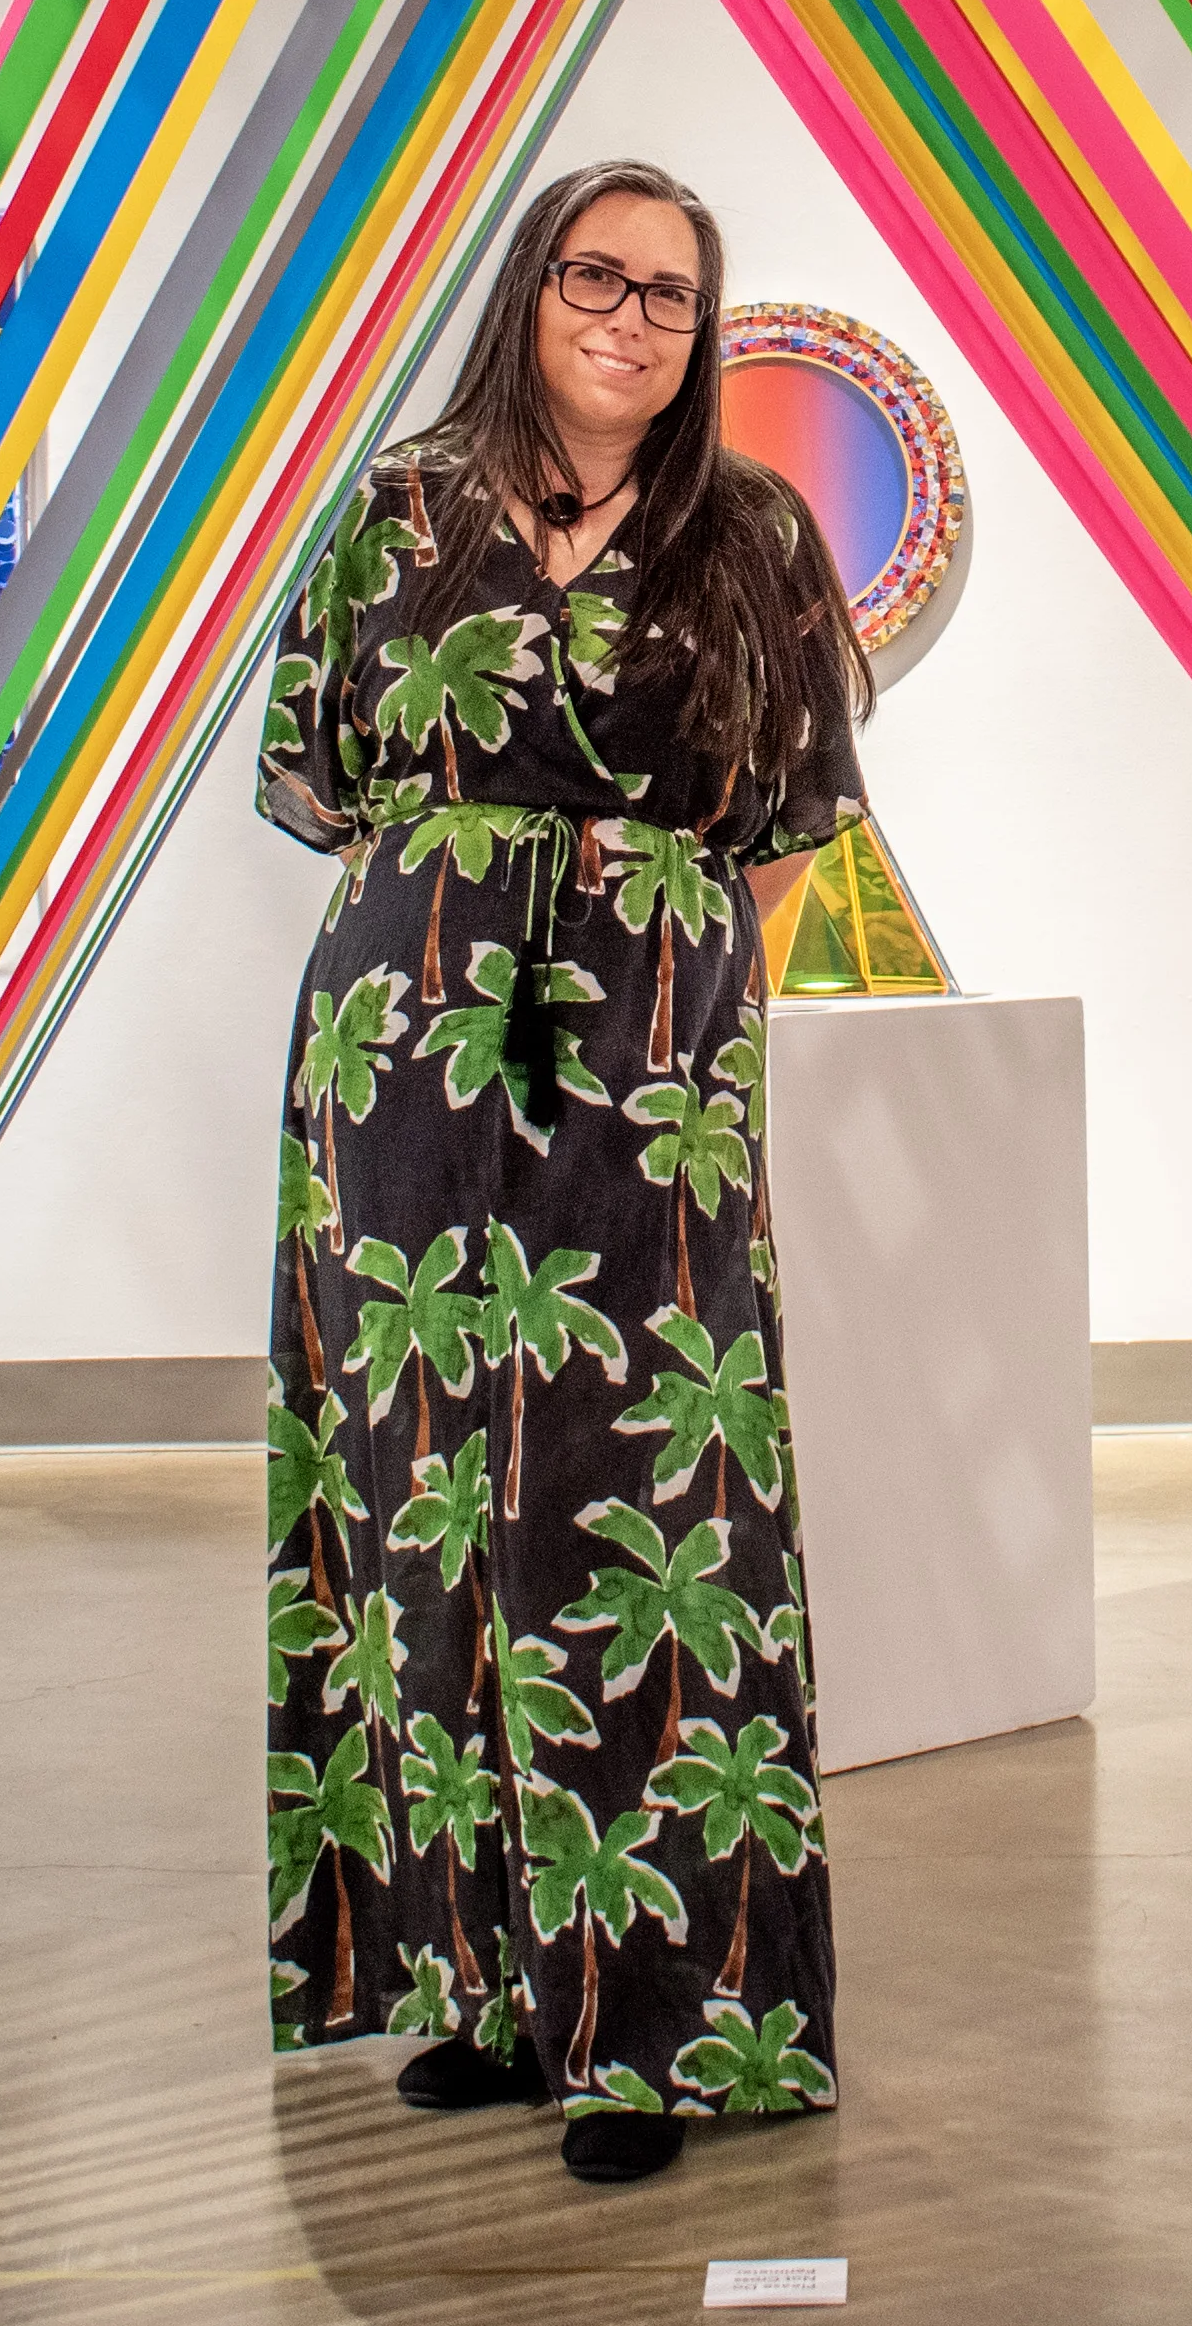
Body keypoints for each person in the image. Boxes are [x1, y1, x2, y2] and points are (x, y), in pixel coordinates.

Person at [251, 161, 872, 2185]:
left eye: (672, 293)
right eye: (595, 274)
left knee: (646, 1508)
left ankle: (663, 2023)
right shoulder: (397, 510)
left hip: (650, 1057)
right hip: (409, 1055)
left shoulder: (753, 534)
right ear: (529, 285)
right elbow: (326, 775)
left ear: (703, 332)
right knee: (431, 1495)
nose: (628, 314)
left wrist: (673, 998)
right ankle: (496, 1986)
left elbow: (792, 817)